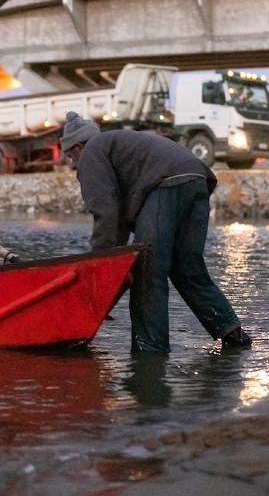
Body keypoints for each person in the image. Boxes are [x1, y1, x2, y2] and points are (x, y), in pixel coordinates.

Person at [60, 111, 252, 353]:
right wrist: (110, 270)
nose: (72, 164)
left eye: (70, 156)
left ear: (78, 147)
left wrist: (95, 267)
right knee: (187, 267)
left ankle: (150, 352)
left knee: (146, 269)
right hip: (197, 179)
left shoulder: (92, 151)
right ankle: (233, 335)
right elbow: (117, 225)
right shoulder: (117, 146)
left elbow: (105, 212)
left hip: (166, 183)